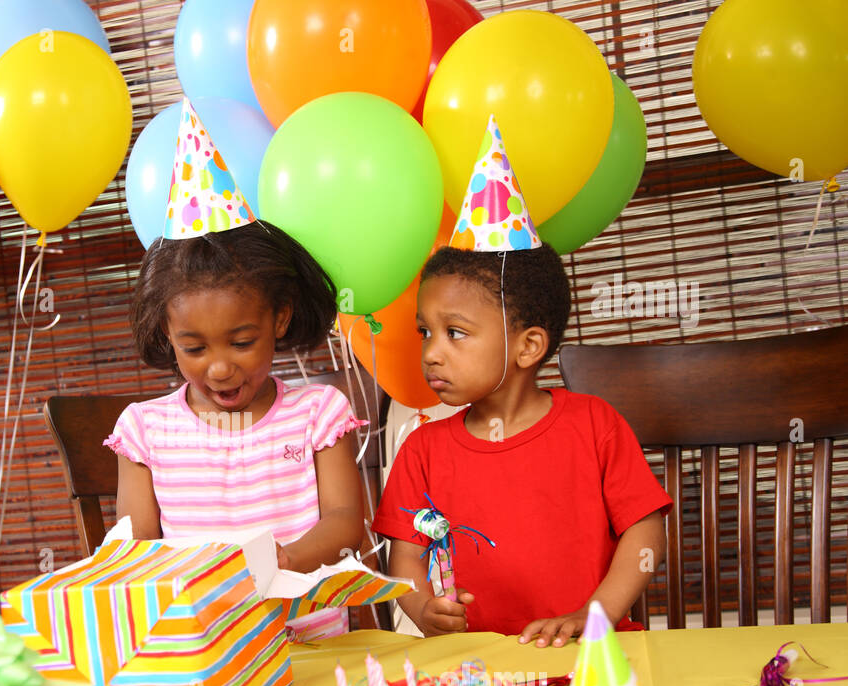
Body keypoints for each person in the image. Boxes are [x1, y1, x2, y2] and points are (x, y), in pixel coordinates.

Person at [373, 243, 671, 646]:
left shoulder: (594, 424)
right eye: (425, 332)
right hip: (477, 671)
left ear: (528, 346)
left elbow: (645, 531)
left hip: (587, 658)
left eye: (454, 333)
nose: (431, 353)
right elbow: (407, 555)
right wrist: (423, 608)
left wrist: (597, 613)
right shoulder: (421, 449)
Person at [109, 220, 367, 642]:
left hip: (309, 644)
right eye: (194, 349)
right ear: (166, 334)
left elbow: (345, 522)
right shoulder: (145, 430)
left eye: (242, 342)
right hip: (204, 647)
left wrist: (285, 558)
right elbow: (136, 550)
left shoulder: (318, 414)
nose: (220, 368)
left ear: (279, 319)